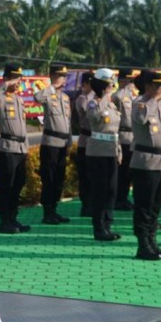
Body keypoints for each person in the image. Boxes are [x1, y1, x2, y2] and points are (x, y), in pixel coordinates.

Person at [129, 70, 161, 260]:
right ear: (147, 86)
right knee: (144, 206)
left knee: (156, 206)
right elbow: (141, 119)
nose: (160, 89)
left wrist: (158, 100)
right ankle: (143, 245)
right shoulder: (140, 104)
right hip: (146, 162)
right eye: (156, 85)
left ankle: (153, 242)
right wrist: (152, 99)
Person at [0, 63, 31, 234]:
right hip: (6, 147)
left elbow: (23, 127)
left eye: (19, 78)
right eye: (14, 78)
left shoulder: (19, 100)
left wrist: (27, 149)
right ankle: (4, 221)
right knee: (6, 186)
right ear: (6, 78)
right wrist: (5, 85)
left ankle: (13, 218)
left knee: (18, 185)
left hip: (20, 148)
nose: (17, 82)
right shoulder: (1, 97)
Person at [86, 68, 123, 241]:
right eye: (109, 84)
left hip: (112, 150)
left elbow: (115, 130)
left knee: (112, 190)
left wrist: (119, 150)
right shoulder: (94, 102)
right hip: (98, 151)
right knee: (100, 191)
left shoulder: (112, 103)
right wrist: (103, 97)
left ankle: (108, 224)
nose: (112, 87)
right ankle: (99, 227)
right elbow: (94, 118)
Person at [34, 63, 72, 224]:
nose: (62, 79)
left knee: (59, 178)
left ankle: (54, 209)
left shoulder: (65, 97)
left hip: (63, 143)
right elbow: (37, 97)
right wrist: (52, 87)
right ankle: (47, 212)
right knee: (48, 178)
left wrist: (69, 142)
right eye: (59, 76)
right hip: (50, 143)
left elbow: (68, 121)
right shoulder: (47, 94)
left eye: (64, 76)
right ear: (52, 77)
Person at [112, 67, 137, 211]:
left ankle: (124, 197)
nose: (130, 83)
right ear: (121, 80)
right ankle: (118, 198)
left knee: (128, 171)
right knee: (121, 171)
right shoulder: (117, 96)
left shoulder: (133, 96)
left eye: (131, 80)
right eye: (128, 80)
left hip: (132, 136)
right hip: (122, 135)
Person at [74, 71, 95, 216]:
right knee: (85, 176)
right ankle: (86, 204)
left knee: (94, 176)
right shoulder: (83, 99)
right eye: (91, 84)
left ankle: (93, 203)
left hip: (96, 142)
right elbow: (91, 113)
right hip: (85, 141)